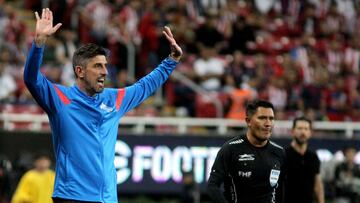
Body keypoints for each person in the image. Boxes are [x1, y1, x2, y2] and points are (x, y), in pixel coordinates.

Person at [23, 8, 182, 203]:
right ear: (80, 71)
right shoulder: (60, 99)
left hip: (107, 198)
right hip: (72, 197)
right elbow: (31, 79)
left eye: (106, 66)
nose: (105, 72)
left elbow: (145, 86)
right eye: (98, 66)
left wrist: (171, 60)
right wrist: (39, 43)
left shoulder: (113, 99)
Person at [207, 100, 285, 203]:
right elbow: (212, 186)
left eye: (271, 119)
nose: (268, 124)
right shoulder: (231, 149)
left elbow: (282, 190)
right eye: (262, 118)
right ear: (248, 121)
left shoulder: (279, 152)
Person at [284, 116, 325, 203]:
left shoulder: (313, 156)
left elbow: (318, 185)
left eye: (306, 129)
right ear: (292, 131)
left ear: (310, 133)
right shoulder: (284, 155)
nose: (303, 132)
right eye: (299, 128)